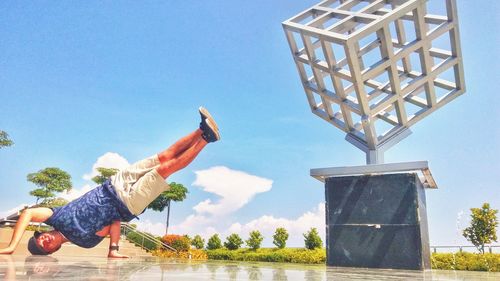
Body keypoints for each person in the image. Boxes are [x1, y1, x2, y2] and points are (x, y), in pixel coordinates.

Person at [0, 107, 220, 257]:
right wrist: (113, 248)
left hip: (113, 184)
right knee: (165, 169)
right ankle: (206, 139)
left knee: (163, 156)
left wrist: (12, 246)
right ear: (53, 250)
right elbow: (114, 224)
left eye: (40, 238)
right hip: (127, 203)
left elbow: (27, 213)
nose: (45, 239)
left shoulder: (55, 217)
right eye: (44, 246)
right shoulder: (85, 242)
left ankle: (201, 128)